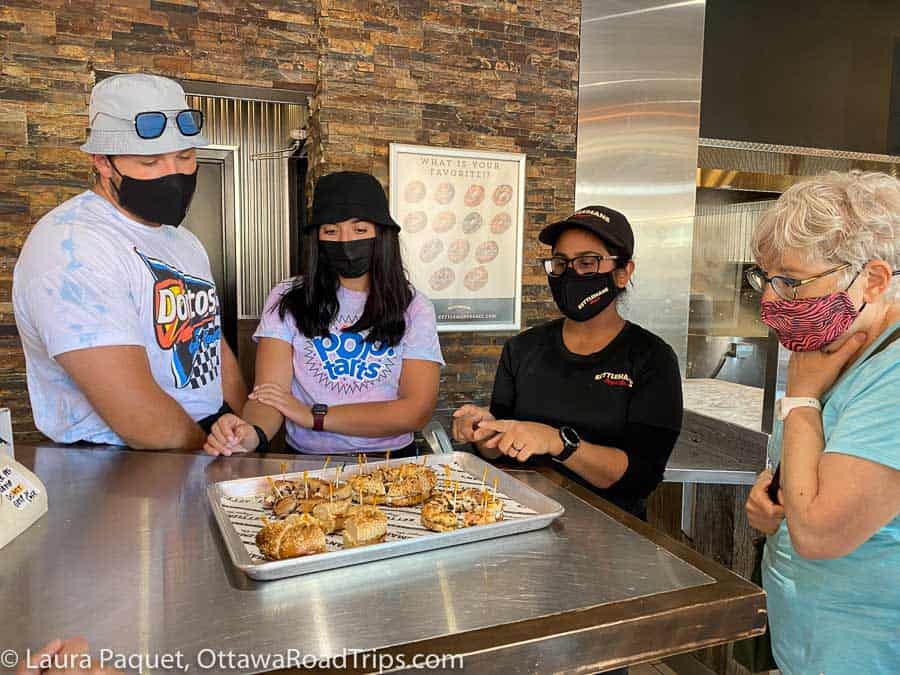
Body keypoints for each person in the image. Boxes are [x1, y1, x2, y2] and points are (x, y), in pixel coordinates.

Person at [12, 74, 246, 450]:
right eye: (150, 161)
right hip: (123, 461)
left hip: (205, 441)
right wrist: (206, 456)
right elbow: (138, 418)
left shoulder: (182, 240)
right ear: (103, 162)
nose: (174, 173)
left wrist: (240, 427)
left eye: (185, 156)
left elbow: (211, 342)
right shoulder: (70, 246)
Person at [744, 171, 900, 674]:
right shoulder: (835, 351)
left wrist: (803, 398)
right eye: (765, 279)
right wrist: (769, 508)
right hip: (812, 644)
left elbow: (820, 535)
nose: (771, 301)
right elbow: (803, 488)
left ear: (873, 280)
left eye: (791, 282)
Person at [452, 206, 683, 519]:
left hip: (610, 534)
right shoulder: (522, 349)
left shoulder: (652, 358)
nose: (572, 274)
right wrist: (483, 431)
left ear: (624, 271)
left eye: (587, 263)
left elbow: (640, 477)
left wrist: (556, 441)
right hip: (519, 518)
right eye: (561, 263)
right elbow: (500, 450)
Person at [204, 171, 443, 457]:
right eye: (331, 231)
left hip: (391, 461)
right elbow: (269, 394)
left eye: (360, 230)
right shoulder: (288, 297)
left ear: (382, 234)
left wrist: (315, 416)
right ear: (317, 238)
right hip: (307, 460)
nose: (345, 241)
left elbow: (415, 411)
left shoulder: (414, 306)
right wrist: (252, 434)